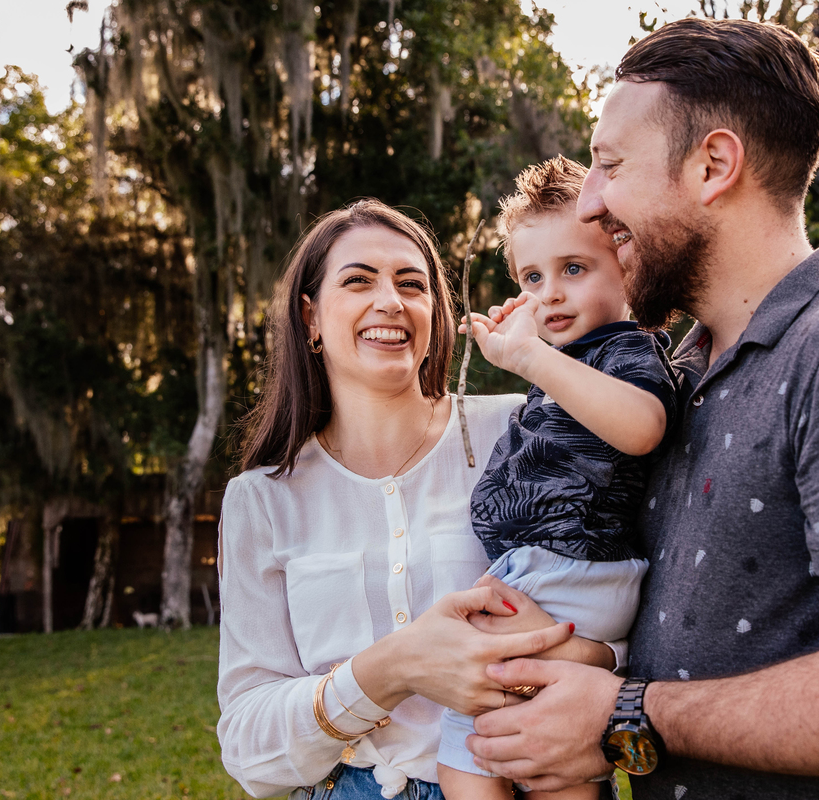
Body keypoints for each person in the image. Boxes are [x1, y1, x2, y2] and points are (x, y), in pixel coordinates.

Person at [464, 17, 819, 799]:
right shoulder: (682, 368)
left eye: (609, 166)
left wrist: (632, 713)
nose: (592, 202)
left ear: (713, 165)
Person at [216, 199, 616, 800]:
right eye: (358, 281)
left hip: (534, 780)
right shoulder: (262, 500)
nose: (391, 302)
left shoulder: (523, 430)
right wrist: (394, 668)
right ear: (310, 318)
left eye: (412, 284)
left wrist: (578, 649)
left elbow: (623, 584)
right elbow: (249, 751)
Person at [436, 156, 676, 800]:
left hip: (572, 569)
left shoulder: (627, 348)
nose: (550, 294)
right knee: (539, 748)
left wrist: (532, 357)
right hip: (549, 572)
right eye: (530, 277)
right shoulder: (571, 364)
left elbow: (642, 426)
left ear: (627, 266)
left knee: (469, 747)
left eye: (574, 268)